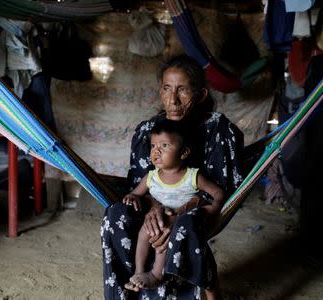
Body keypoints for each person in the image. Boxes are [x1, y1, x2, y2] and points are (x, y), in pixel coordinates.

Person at [101, 54, 244, 300]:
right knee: (115, 215)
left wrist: (175, 213)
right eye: (167, 89)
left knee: (183, 225)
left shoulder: (219, 131)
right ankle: (126, 292)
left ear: (200, 95)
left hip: (195, 211)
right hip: (153, 205)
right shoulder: (150, 131)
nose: (173, 100)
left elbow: (222, 189)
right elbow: (139, 182)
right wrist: (153, 208)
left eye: (183, 91)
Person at [122, 119, 224, 292]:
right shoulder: (151, 177)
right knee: (144, 233)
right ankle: (139, 271)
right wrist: (132, 198)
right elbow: (135, 193)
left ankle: (156, 274)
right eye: (153, 146)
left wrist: (213, 208)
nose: (156, 151)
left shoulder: (192, 176)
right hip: (156, 219)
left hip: (179, 221)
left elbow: (218, 194)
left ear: (184, 152)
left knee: (165, 228)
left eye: (164, 145)